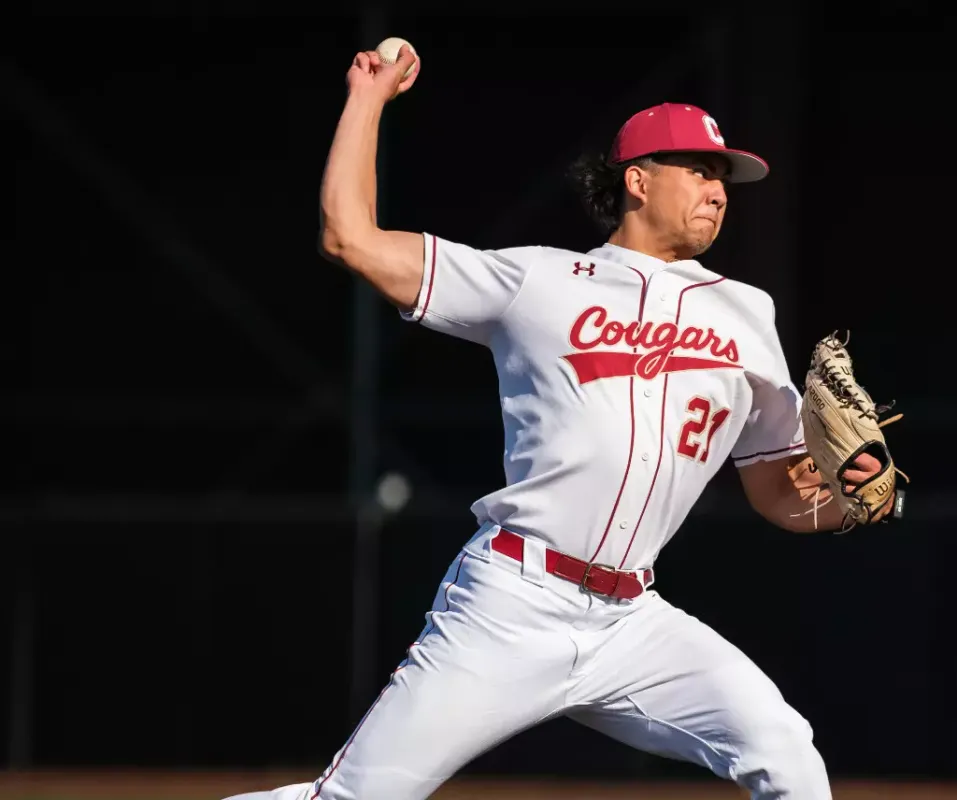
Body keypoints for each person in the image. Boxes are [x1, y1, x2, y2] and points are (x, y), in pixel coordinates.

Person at [226, 43, 898, 800]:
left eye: (724, 177)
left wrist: (855, 494)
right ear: (637, 181)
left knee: (787, 753)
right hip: (513, 600)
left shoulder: (749, 313)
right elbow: (350, 236)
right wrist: (368, 98)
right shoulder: (537, 279)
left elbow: (779, 491)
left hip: (633, 623)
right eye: (701, 170)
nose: (719, 188)